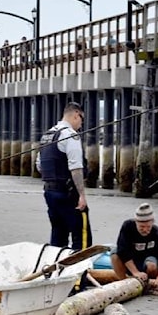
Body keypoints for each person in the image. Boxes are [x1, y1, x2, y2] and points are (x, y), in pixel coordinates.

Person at [35, 102, 93, 250]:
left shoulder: (47, 135)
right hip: (68, 193)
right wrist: (81, 195)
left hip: (49, 192)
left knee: (58, 234)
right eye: (81, 119)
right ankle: (80, 269)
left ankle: (56, 268)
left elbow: (39, 166)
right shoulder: (70, 135)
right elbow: (76, 168)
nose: (81, 124)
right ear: (75, 115)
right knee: (82, 236)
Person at [110, 202, 158, 290]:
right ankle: (124, 283)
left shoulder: (157, 233)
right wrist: (135, 272)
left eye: (148, 227)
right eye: (142, 227)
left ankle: (149, 284)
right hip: (131, 259)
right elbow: (122, 250)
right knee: (115, 255)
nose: (145, 230)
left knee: (152, 266)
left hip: (148, 260)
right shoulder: (127, 227)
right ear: (136, 222)